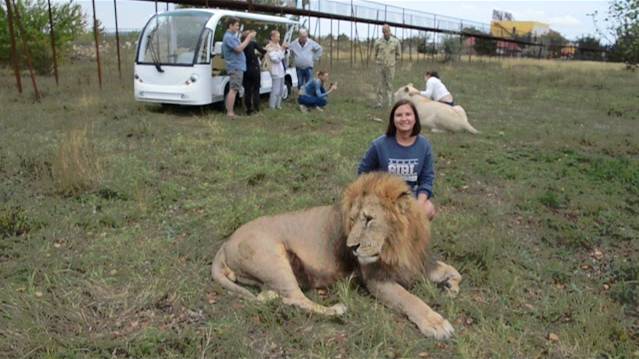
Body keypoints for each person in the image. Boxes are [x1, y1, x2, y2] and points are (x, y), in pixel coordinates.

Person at [358, 99, 436, 220]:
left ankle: (411, 236)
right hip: (383, 197)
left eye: (408, 114)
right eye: (399, 115)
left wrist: (419, 205)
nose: (404, 119)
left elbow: (427, 179)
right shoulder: (379, 145)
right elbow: (363, 173)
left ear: (415, 118)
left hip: (409, 197)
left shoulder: (424, 145)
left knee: (428, 209)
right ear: (393, 120)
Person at [222, 17, 255, 118]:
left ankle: (230, 111)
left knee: (234, 89)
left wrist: (243, 36)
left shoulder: (232, 36)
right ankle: (230, 113)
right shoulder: (228, 37)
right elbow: (239, 49)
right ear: (230, 25)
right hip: (235, 66)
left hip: (237, 66)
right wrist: (248, 39)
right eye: (236, 25)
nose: (238, 27)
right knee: (234, 89)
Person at [373, 24, 401, 108]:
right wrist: (378, 61)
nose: (386, 33)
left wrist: (392, 62)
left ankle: (389, 103)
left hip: (390, 67)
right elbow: (375, 54)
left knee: (389, 85)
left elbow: (398, 55)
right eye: (384, 31)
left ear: (390, 31)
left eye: (387, 31)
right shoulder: (378, 42)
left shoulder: (396, 42)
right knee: (379, 85)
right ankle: (379, 103)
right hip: (380, 66)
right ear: (382, 32)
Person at [242, 30, 266, 115]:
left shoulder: (241, 44)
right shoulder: (253, 43)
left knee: (247, 90)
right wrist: (260, 57)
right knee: (256, 89)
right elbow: (263, 51)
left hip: (245, 69)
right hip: (254, 68)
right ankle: (256, 108)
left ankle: (248, 109)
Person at [265, 30, 288, 109]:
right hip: (275, 71)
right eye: (277, 36)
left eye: (279, 36)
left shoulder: (278, 45)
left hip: (281, 71)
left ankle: (278, 105)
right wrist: (282, 49)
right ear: (272, 37)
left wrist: (283, 49)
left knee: (281, 89)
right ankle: (272, 106)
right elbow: (275, 59)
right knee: (275, 90)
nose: (279, 38)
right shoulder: (269, 47)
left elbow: (282, 57)